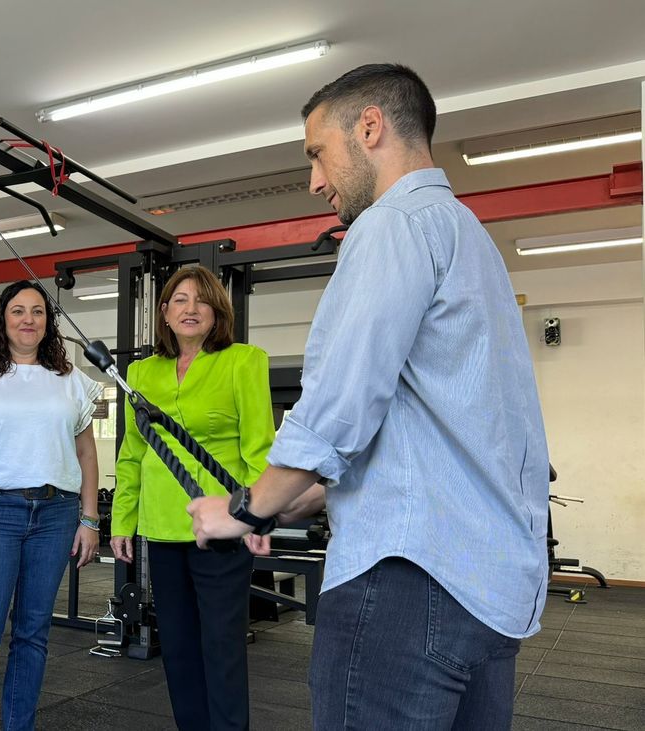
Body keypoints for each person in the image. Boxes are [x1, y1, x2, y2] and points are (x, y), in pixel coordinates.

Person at [187, 63, 550, 730]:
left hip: (405, 584)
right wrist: (288, 500)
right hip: (487, 593)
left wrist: (245, 508)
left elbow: (338, 408)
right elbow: (426, 434)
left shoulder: (391, 227)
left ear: (371, 127)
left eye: (317, 154)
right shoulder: (472, 239)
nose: (315, 180)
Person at [109, 265, 273, 730]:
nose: (190, 308)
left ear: (217, 310)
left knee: (221, 648)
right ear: (163, 313)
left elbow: (258, 449)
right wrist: (124, 520)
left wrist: (258, 517)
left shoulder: (244, 361)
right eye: (179, 300)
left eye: (201, 300)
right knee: (178, 648)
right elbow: (132, 453)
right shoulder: (141, 372)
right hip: (162, 526)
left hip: (222, 527)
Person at [0, 280, 103, 731]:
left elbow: (87, 455)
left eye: (37, 312)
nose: (28, 319)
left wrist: (90, 519)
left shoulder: (71, 381)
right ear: (2, 319)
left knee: (33, 634)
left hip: (56, 514)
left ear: (49, 323)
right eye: (18, 311)